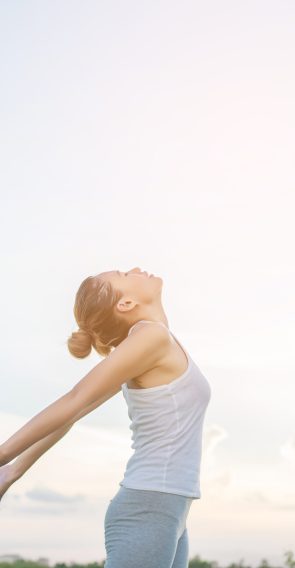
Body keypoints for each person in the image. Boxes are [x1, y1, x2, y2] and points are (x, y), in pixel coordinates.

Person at [0, 266, 212, 568]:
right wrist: (4, 455)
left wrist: (13, 471)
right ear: (125, 304)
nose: (136, 269)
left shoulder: (151, 343)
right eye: (125, 275)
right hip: (149, 507)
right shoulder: (151, 338)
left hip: (170, 509)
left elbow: (74, 414)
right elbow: (76, 400)